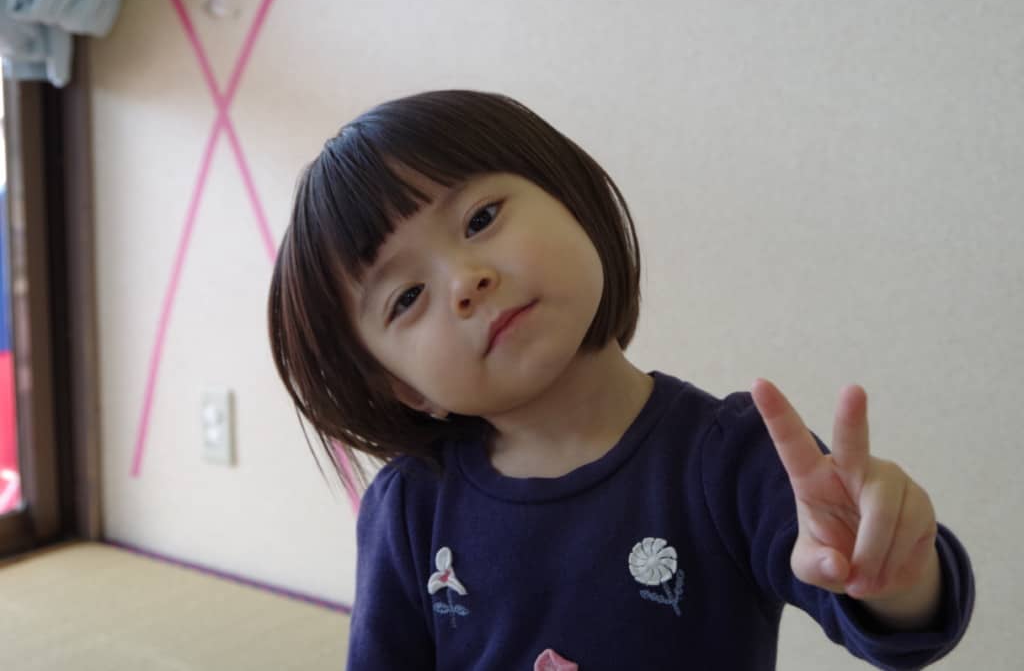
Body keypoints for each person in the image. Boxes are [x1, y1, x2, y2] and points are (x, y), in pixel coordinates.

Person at [267, 90, 974, 670]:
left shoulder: (733, 456)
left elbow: (892, 620)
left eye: (481, 218)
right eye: (407, 298)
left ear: (570, 199)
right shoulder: (410, 507)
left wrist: (897, 575)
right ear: (405, 388)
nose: (464, 281)